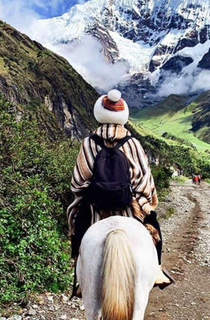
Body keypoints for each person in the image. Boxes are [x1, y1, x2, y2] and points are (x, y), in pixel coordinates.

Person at [67, 89, 173, 297]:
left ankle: (80, 278)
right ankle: (157, 270)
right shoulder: (133, 143)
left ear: (99, 113)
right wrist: (144, 202)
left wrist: (87, 196)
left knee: (79, 232)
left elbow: (78, 182)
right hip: (130, 208)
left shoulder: (88, 143)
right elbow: (145, 182)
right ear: (123, 115)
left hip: (96, 208)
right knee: (155, 228)